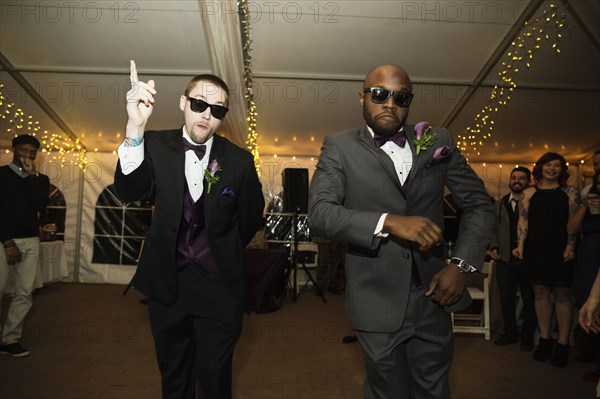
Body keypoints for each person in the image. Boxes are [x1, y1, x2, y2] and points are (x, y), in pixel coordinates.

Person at [308, 64, 494, 399]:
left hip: (435, 293)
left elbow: (480, 204)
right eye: (380, 94)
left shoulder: (439, 139)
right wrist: (389, 221)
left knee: (434, 388)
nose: (390, 103)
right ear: (363, 97)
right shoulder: (339, 146)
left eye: (401, 96)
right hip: (375, 296)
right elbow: (321, 215)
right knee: (388, 391)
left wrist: (460, 265)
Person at [114, 61, 264, 398]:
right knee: (175, 375)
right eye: (199, 104)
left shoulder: (239, 160)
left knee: (214, 376)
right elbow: (130, 192)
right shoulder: (152, 144)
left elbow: (251, 215)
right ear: (183, 103)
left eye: (217, 109)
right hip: (168, 285)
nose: (206, 114)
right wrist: (134, 129)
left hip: (219, 287)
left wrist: (220, 249)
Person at [513, 152, 579, 368]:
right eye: (548, 164)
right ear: (540, 167)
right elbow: (522, 222)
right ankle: (544, 339)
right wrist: (520, 246)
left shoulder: (570, 193)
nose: (552, 168)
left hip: (561, 250)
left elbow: (573, 224)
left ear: (562, 170)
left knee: (561, 293)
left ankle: (562, 344)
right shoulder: (529, 193)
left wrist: (570, 246)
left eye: (557, 166)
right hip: (536, 249)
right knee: (540, 293)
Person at [0, 134, 50, 358]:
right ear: (14, 150)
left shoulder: (40, 179)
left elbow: (40, 205)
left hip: (31, 240)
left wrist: (31, 176)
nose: (28, 156)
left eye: (32, 152)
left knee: (24, 293)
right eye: (23, 151)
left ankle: (10, 339)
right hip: (4, 241)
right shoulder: (1, 175)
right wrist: (8, 242)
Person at [489, 166, 537, 351]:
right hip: (505, 259)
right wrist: (493, 246)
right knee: (506, 298)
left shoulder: (534, 203)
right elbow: (493, 228)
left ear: (528, 181)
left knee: (529, 299)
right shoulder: (499, 204)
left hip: (528, 260)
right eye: (514, 178)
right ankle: (510, 333)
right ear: (510, 181)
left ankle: (527, 336)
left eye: (522, 178)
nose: (517, 181)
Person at [569, 169, 600, 380]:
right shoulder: (589, 201)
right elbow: (571, 228)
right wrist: (585, 206)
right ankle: (592, 352)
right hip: (588, 254)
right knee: (587, 302)